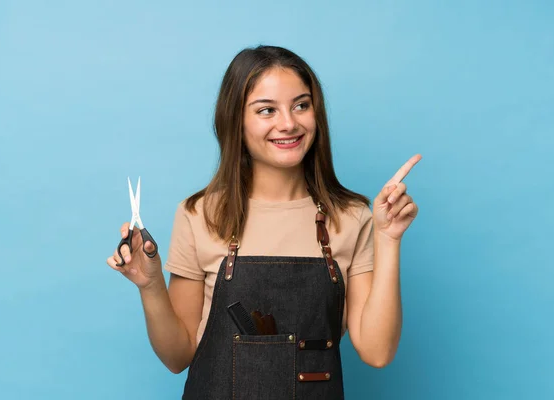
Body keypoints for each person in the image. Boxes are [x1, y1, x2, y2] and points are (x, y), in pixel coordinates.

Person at [107, 44, 421, 399]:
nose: (288, 123)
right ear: (235, 121)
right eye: (266, 110)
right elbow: (178, 356)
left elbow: (377, 352)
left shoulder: (351, 217)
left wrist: (389, 238)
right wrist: (150, 286)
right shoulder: (199, 214)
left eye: (301, 105)